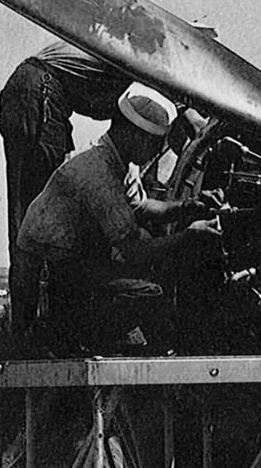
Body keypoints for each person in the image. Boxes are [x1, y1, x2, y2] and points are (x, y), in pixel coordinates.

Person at [16, 83, 220, 354]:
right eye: (155, 143)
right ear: (135, 134)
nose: (157, 150)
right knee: (150, 293)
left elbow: (142, 207)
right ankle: (81, 337)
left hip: (75, 265)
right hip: (56, 278)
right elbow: (134, 251)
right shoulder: (98, 176)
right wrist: (189, 236)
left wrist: (187, 206)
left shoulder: (116, 158)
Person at [0, 40, 134, 332]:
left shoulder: (132, 48)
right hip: (41, 93)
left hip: (32, 91)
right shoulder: (154, 65)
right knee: (48, 218)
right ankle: (41, 329)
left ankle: (28, 327)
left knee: (30, 217)